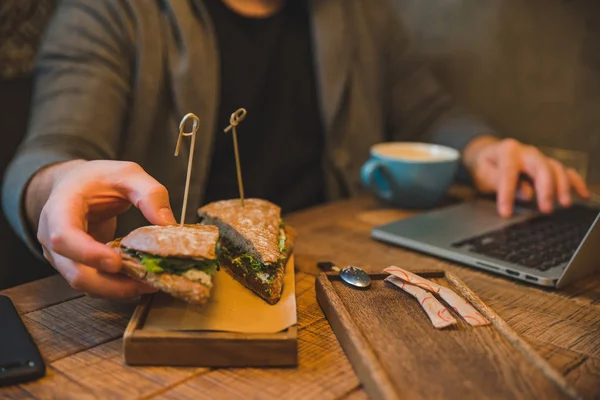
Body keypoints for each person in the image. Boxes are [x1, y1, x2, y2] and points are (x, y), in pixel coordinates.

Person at [1, 0, 589, 299]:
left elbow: (429, 110)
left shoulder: (358, 13)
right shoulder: (111, 13)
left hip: (337, 270)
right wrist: (56, 186)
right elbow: (53, 145)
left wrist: (484, 148)